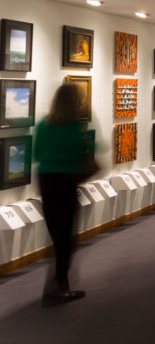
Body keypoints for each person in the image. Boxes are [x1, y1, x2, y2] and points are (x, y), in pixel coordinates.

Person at [34, 84, 95, 306]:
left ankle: (57, 285)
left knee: (57, 234)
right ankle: (61, 288)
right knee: (66, 237)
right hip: (67, 183)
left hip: (47, 182)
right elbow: (85, 155)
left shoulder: (43, 124)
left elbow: (38, 153)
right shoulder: (74, 127)